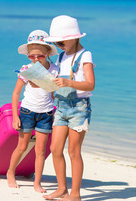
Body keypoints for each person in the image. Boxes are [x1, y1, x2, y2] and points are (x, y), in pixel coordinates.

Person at [43, 15, 95, 201]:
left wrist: (68, 82)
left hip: (79, 108)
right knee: (56, 149)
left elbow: (90, 85)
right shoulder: (62, 55)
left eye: (61, 42)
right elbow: (59, 82)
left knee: (74, 151)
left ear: (73, 38)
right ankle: (62, 189)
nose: (58, 45)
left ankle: (75, 194)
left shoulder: (85, 55)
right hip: (61, 107)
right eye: (56, 43)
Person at [7, 30, 58, 193]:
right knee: (22, 147)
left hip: (46, 114)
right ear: (28, 55)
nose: (35, 59)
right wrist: (15, 116)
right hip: (27, 112)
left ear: (48, 53)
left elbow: (53, 93)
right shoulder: (26, 69)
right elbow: (15, 93)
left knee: (40, 150)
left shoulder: (55, 70)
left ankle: (37, 182)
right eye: (32, 56)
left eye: (40, 56)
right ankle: (10, 172)